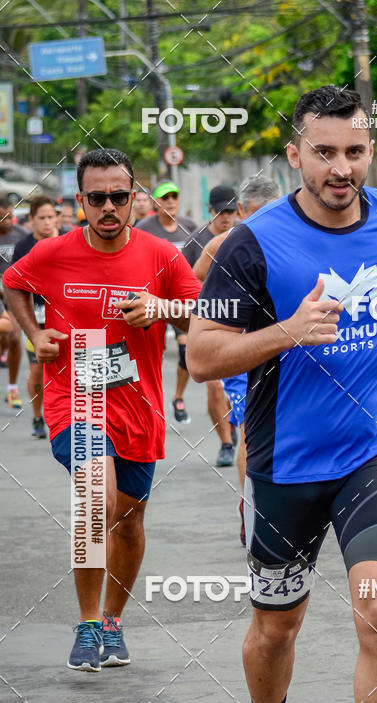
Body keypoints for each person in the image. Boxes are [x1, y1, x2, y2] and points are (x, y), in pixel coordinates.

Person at [187, 85, 377, 703]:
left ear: (372, 152)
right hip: (282, 465)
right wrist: (288, 332)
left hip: (375, 448)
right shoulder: (252, 244)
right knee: (275, 628)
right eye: (323, 152)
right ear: (295, 153)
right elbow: (200, 356)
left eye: (354, 151)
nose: (340, 167)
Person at [4, 148, 200, 672]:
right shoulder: (53, 252)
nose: (109, 206)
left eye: (119, 195)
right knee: (97, 498)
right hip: (75, 397)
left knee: (130, 521)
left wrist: (161, 307)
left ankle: (112, 620)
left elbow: (198, 312)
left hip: (139, 405)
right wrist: (34, 333)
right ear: (80, 201)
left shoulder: (161, 255)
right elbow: (13, 284)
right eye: (98, 198)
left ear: (135, 198)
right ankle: (87, 623)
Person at [194, 175, 281, 543]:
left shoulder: (292, 239)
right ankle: (253, 509)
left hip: (285, 347)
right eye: (254, 214)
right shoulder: (220, 244)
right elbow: (194, 282)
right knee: (249, 430)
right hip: (241, 351)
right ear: (242, 211)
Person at [183, 185, 239, 463]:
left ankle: (235, 420)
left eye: (230, 211)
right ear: (210, 211)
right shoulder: (195, 241)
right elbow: (184, 284)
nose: (226, 217)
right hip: (208, 322)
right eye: (220, 211)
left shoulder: (245, 237)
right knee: (215, 386)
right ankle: (226, 443)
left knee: (240, 386)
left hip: (242, 324)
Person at [136, 181, 197, 425]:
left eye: (174, 196)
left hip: (181, 299)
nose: (170, 200)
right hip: (152, 296)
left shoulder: (190, 227)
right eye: (165, 197)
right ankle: (149, 399)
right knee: (152, 352)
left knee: (185, 350)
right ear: (156, 202)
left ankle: (178, 397)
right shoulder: (144, 227)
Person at [11, 195, 63, 438]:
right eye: (41, 218)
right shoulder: (23, 247)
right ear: (31, 220)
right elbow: (14, 286)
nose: (47, 222)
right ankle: (37, 416)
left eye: (51, 217)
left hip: (66, 318)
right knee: (37, 370)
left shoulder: (68, 240)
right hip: (38, 320)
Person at [0, 196, 27, 407]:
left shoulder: (21, 236)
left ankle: (12, 388)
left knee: (14, 336)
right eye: (2, 218)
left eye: (10, 216)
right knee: (6, 332)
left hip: (14, 292)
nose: (7, 221)